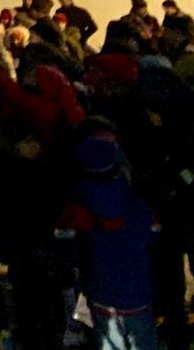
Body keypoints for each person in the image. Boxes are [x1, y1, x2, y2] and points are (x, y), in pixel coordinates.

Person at [56, 129, 159, 350]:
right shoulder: (137, 203)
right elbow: (153, 237)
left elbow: (68, 253)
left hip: (100, 294)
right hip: (137, 293)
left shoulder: (76, 208)